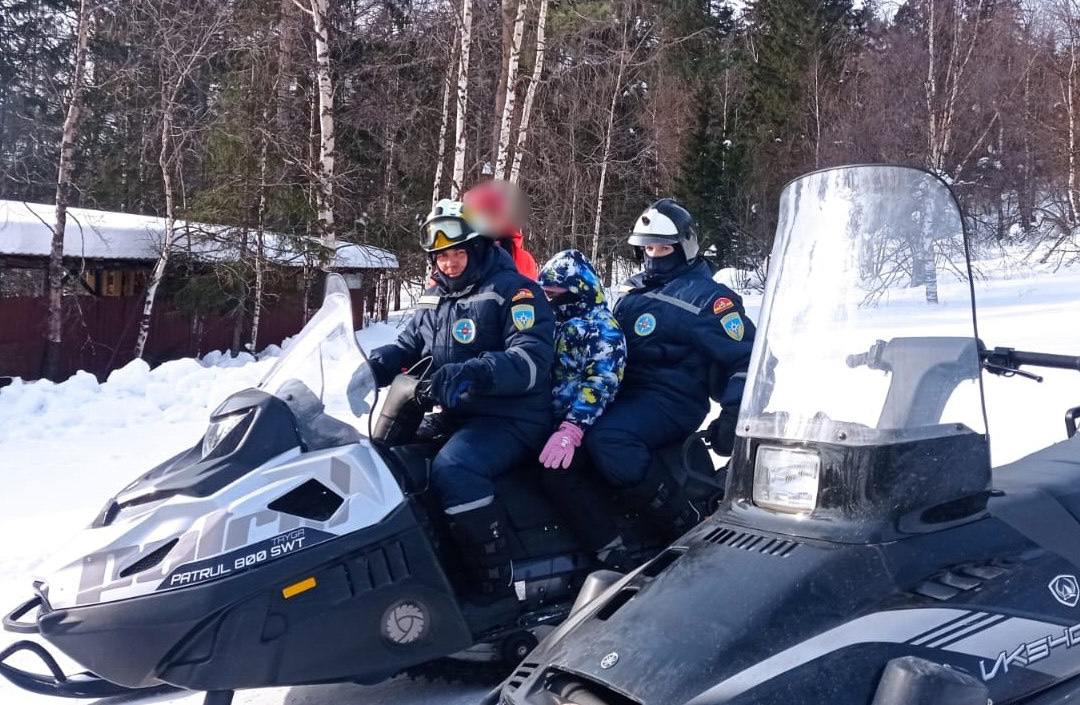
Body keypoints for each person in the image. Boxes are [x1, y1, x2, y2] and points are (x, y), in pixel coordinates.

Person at [367, 199, 554, 625]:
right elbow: (408, 345)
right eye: (441, 256)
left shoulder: (515, 291)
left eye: (457, 253)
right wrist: (375, 363)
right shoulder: (434, 297)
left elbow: (531, 359)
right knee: (387, 458)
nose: (449, 263)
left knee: (454, 469)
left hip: (513, 417)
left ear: (478, 246)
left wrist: (476, 372)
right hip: (458, 413)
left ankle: (496, 579)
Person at [584, 198, 755, 539]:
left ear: (684, 248)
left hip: (671, 398)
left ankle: (680, 518)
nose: (653, 256)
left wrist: (735, 411)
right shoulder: (633, 295)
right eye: (647, 248)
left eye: (663, 248)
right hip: (625, 391)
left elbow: (747, 357)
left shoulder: (708, 299)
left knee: (608, 438)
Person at [533, 249, 630, 568]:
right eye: (545, 294)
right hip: (550, 416)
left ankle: (609, 548)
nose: (549, 299)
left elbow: (602, 380)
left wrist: (573, 427)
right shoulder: (553, 322)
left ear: (576, 290)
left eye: (554, 294)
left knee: (558, 476)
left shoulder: (602, 327)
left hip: (588, 420)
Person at [462, 179, 539, 279]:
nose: (487, 222)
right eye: (481, 216)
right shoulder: (457, 254)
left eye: (494, 215)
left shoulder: (523, 259)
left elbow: (530, 291)